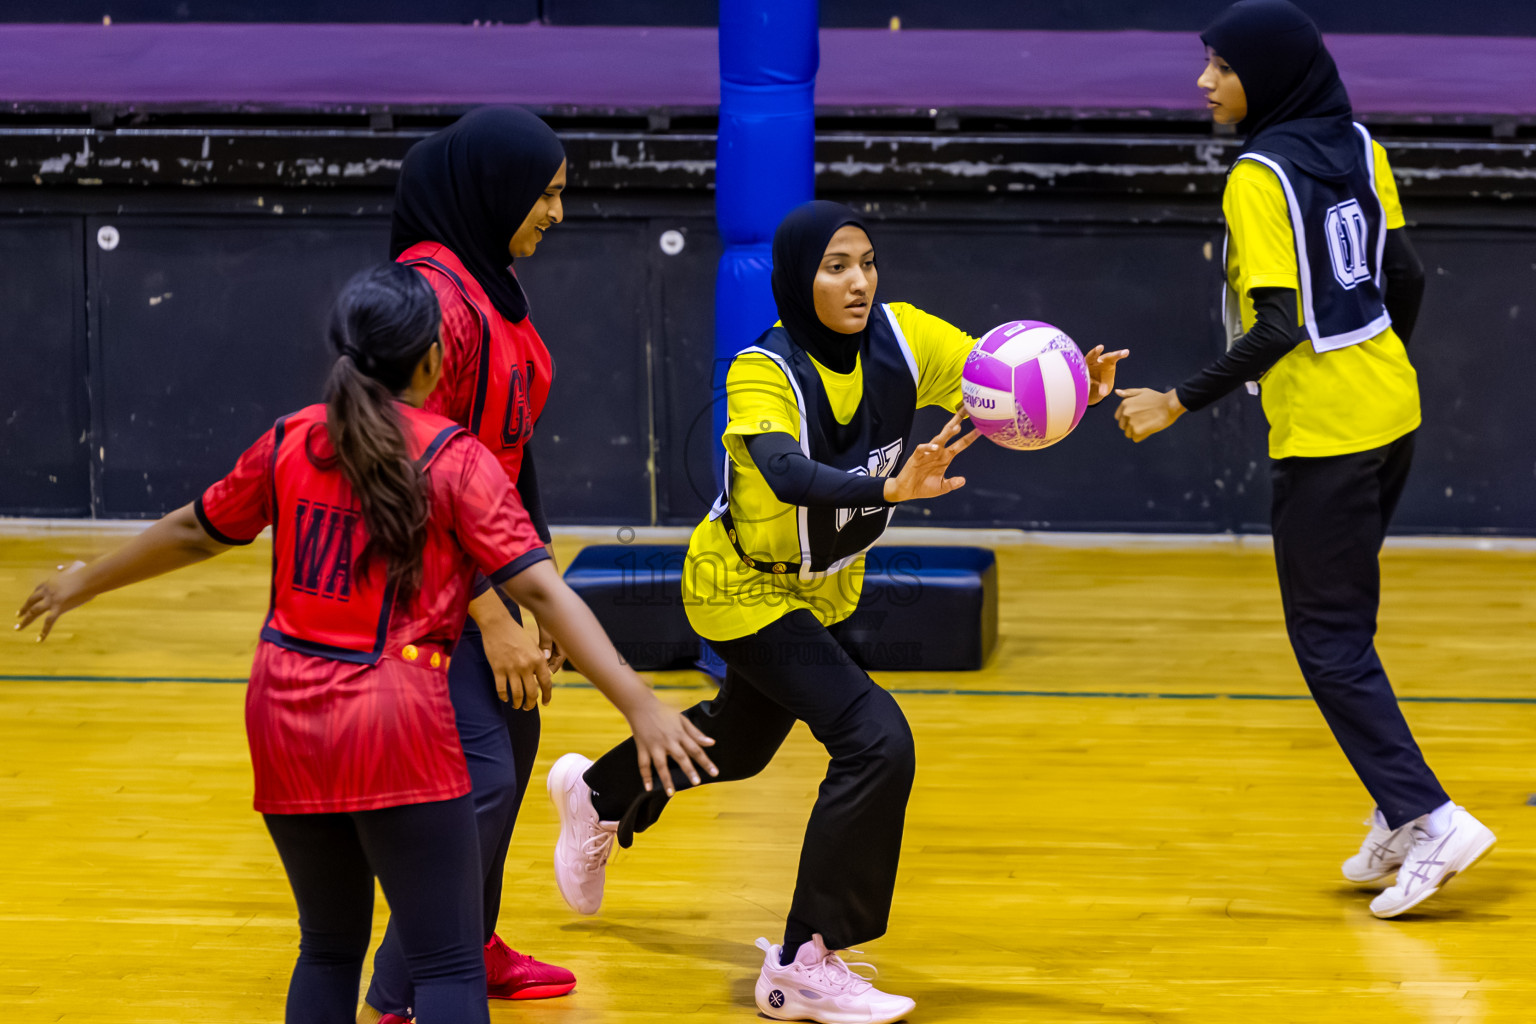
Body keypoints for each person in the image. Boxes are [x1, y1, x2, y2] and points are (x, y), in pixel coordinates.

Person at [14, 264, 716, 1024]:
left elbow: (195, 529)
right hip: (393, 719)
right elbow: (544, 592)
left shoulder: (292, 438)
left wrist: (84, 581)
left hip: (283, 716)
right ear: (434, 361)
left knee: (326, 948)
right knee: (447, 964)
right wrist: (641, 703)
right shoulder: (457, 460)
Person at [544, 201, 1125, 1024]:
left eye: (867, 262)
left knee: (738, 748)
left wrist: (1075, 392)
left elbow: (999, 383)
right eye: (836, 266)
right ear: (797, 278)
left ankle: (597, 793)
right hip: (742, 588)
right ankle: (802, 964)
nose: (859, 282)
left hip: (827, 587)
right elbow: (785, 473)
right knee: (876, 740)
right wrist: (889, 488)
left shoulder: (904, 338)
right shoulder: (762, 371)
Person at [1112, 0, 1495, 919]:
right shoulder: (1357, 143)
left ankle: (1433, 818)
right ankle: (1398, 810)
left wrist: (1174, 402)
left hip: (1328, 437)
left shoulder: (1258, 176)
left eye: (1221, 67)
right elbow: (1407, 275)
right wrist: (1373, 363)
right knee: (1345, 629)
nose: (1205, 82)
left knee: (1328, 642)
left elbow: (1279, 325)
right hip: (1391, 411)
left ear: (1268, 76)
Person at [363, 105, 576, 1021]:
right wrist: (494, 617)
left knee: (513, 746)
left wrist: (543, 590)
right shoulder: (433, 299)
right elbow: (409, 473)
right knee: (475, 780)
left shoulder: (492, 284)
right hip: (420, 583)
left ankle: (471, 940)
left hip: (483, 566)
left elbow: (511, 453)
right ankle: (401, 986)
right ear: (495, 189)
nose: (558, 213)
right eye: (547, 194)